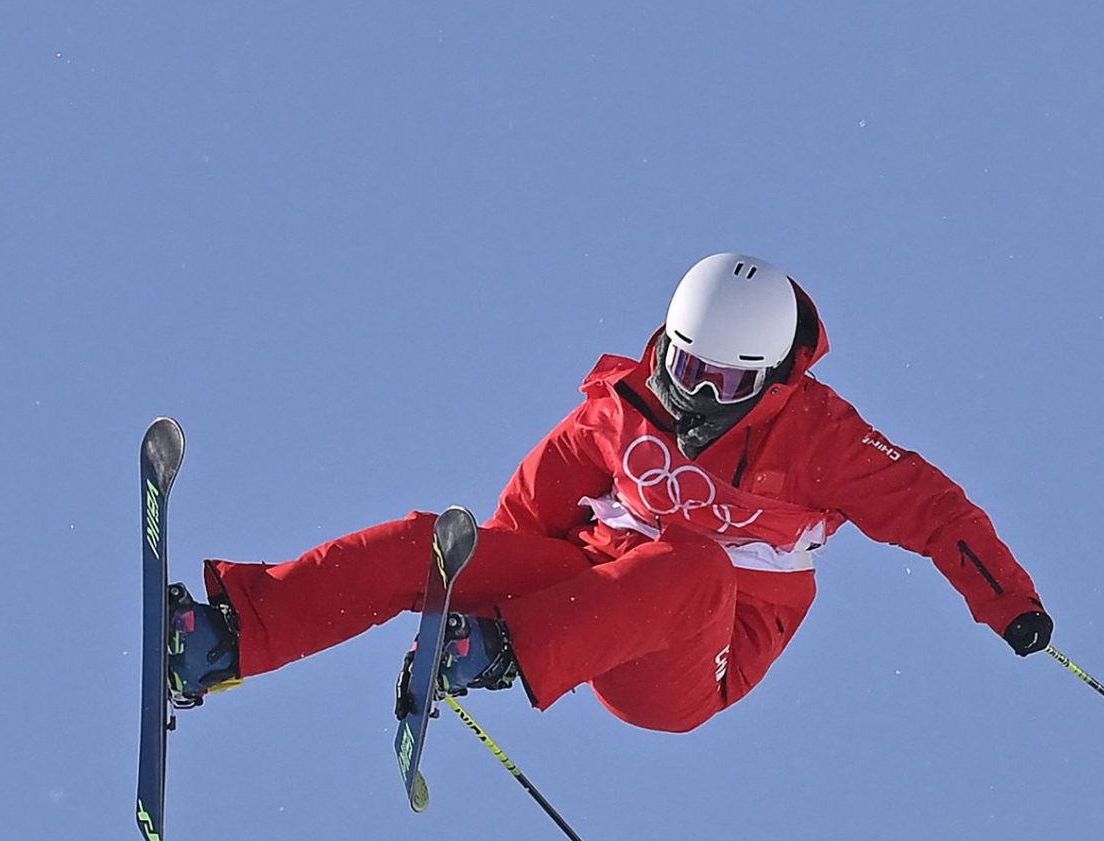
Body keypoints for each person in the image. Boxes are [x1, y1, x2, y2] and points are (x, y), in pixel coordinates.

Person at [166, 252, 1052, 733]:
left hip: (691, 661)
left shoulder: (824, 439)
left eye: (725, 384)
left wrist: (1009, 604)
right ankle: (228, 640)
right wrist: (460, 598)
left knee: (696, 563)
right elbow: (513, 534)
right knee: (433, 539)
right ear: (664, 344)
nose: (697, 399)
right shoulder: (621, 413)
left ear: (773, 379)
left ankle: (504, 655)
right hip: (587, 603)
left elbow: (938, 514)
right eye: (686, 368)